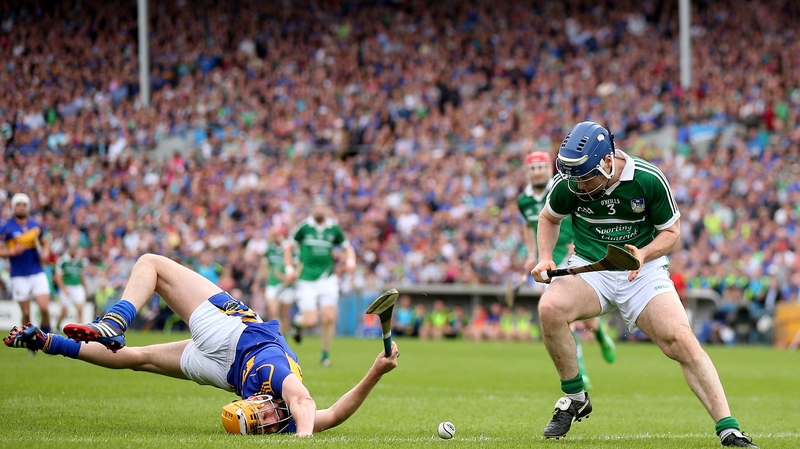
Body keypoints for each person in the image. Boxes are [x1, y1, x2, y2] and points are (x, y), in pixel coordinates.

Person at [531, 121, 757, 447]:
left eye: (586, 177)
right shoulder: (570, 181)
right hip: (591, 268)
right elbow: (549, 218)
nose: (579, 186)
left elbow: (672, 232)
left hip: (643, 271)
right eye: (574, 178)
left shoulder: (648, 179)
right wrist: (544, 257)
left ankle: (729, 429)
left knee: (681, 340)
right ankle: (576, 397)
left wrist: (644, 253)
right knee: (550, 308)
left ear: (607, 162)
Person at [4, 253, 399, 437]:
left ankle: (92, 329)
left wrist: (303, 430)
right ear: (273, 409)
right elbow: (321, 409)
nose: (262, 415)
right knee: (137, 356)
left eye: (256, 417)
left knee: (151, 266)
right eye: (262, 416)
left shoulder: (279, 396)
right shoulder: (284, 390)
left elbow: (317, 408)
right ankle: (62, 338)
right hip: (230, 354)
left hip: (226, 346)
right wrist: (375, 372)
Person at [517, 151, 616, 390]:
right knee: (564, 316)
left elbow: (581, 213)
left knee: (575, 313)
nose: (537, 172)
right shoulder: (523, 200)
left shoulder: (565, 186)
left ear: (548, 169)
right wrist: (531, 254)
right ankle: (583, 366)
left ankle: (597, 339)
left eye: (541, 167)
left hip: (572, 255)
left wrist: (579, 241)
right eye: (533, 169)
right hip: (548, 259)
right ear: (527, 172)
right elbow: (528, 227)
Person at [283, 195, 356, 367]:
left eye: (322, 207)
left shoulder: (334, 228)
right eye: (316, 207)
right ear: (312, 209)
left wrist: (351, 262)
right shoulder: (304, 227)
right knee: (311, 321)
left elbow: (347, 248)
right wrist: (289, 269)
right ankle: (297, 323)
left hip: (327, 278)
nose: (319, 210)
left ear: (327, 209)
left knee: (329, 316)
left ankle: (325, 355)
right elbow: (288, 248)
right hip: (306, 280)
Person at [0, 193, 53, 335]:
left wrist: (45, 253)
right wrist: (11, 252)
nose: (21, 207)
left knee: (44, 308)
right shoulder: (6, 227)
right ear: (13, 207)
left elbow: (45, 243)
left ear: (28, 207)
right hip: (18, 274)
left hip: (37, 271)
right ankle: (29, 339)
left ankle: (46, 336)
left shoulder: (35, 225)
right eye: (18, 205)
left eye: (24, 205)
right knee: (26, 313)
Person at [253, 225, 295, 334]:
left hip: (287, 286)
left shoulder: (290, 248)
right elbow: (264, 267)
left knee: (285, 314)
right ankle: (277, 337)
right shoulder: (270, 248)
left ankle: (284, 337)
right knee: (274, 312)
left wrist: (290, 277)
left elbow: (298, 265)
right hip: (273, 284)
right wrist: (257, 282)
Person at [54, 244, 88, 330]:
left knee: (80, 310)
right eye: (72, 249)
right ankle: (57, 325)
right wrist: (64, 289)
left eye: (74, 249)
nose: (73, 251)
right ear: (69, 249)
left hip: (78, 287)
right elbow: (58, 277)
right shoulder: (62, 261)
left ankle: (79, 330)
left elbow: (82, 277)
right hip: (67, 287)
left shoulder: (80, 261)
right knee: (64, 312)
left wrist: (85, 289)